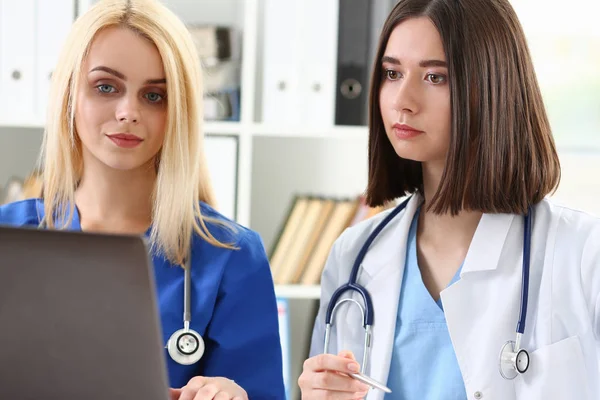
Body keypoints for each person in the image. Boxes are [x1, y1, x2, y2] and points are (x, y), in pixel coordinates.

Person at [298, 0, 600, 399]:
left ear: (493, 87)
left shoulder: (582, 252)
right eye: (392, 73)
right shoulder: (354, 256)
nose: (402, 100)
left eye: (435, 77)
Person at [0, 0, 285, 399]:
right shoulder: (8, 238)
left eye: (154, 96)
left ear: (180, 111)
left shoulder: (231, 256)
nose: (128, 111)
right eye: (105, 87)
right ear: (68, 93)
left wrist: (231, 394)